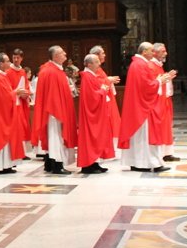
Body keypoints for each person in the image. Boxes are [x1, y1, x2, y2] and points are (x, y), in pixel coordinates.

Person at [118, 42, 176, 173]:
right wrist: (160, 81)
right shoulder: (140, 65)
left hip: (139, 105)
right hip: (143, 107)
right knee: (145, 136)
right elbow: (147, 86)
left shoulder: (138, 64)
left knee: (139, 137)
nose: (153, 53)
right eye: (151, 51)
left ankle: (136, 162)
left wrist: (161, 79)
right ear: (144, 52)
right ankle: (151, 163)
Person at [31, 46, 77, 174]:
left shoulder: (51, 69)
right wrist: (58, 111)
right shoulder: (51, 72)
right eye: (62, 53)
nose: (65, 54)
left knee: (52, 136)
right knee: (55, 136)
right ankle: (57, 165)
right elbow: (52, 94)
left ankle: (49, 163)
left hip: (53, 110)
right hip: (54, 111)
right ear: (56, 56)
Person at [77, 54, 112, 174]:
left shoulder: (91, 75)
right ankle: (87, 166)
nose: (99, 64)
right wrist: (102, 90)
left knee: (96, 138)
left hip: (96, 113)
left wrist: (102, 89)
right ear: (89, 64)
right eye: (96, 62)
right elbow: (90, 97)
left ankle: (94, 163)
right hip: (90, 114)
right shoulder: (87, 76)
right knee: (90, 138)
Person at [148, 43, 179, 162]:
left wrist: (167, 77)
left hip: (164, 100)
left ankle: (167, 152)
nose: (166, 53)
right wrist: (163, 79)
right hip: (157, 102)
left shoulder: (158, 66)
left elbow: (160, 80)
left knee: (167, 126)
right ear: (154, 52)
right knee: (160, 127)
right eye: (162, 51)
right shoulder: (151, 65)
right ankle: (160, 153)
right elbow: (151, 83)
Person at [88, 45, 121, 154]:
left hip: (107, 98)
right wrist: (108, 80)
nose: (104, 55)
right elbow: (96, 83)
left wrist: (108, 80)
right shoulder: (93, 70)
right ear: (96, 55)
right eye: (102, 53)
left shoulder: (99, 69)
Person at [6, 49, 32, 158]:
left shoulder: (22, 72)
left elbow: (26, 86)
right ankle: (17, 150)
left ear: (22, 58)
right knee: (16, 126)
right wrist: (16, 93)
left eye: (18, 58)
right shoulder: (8, 71)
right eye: (14, 58)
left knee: (23, 126)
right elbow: (6, 88)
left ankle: (23, 151)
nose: (16, 60)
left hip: (21, 102)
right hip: (12, 102)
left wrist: (26, 93)